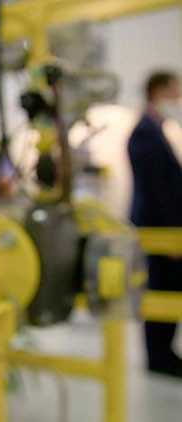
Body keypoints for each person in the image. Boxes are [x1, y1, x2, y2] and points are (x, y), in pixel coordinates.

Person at [128, 71, 182, 378]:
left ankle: (165, 351)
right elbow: (158, 190)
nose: (177, 98)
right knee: (161, 287)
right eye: (174, 91)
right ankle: (158, 356)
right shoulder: (145, 133)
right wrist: (173, 230)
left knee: (169, 286)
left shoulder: (157, 130)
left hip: (164, 225)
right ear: (158, 91)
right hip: (158, 228)